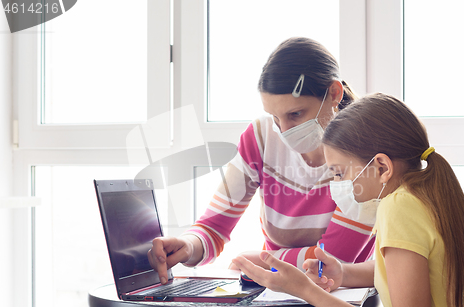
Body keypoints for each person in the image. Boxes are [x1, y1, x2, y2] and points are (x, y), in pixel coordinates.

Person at [232, 93, 464, 307]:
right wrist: (344, 274)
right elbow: (407, 270)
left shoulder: (398, 208)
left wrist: (306, 290)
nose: (337, 185)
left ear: (382, 167)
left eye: (340, 173)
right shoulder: (423, 196)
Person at [148, 37, 376, 284]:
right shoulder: (262, 137)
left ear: (333, 94)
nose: (285, 130)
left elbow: (333, 261)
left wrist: (262, 259)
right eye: (275, 117)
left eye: (295, 114)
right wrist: (189, 246)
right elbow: (214, 227)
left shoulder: (365, 153)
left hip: (339, 304)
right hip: (275, 294)